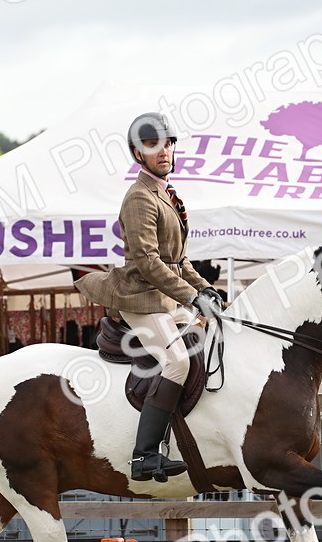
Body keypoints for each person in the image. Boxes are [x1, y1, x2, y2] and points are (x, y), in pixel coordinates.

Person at [75, 112, 224, 482]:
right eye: (153, 145)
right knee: (178, 362)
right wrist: (192, 297)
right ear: (137, 153)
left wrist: (204, 289)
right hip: (139, 297)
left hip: (165, 297)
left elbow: (178, 259)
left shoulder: (166, 194)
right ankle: (143, 456)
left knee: (206, 342)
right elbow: (148, 262)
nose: (165, 150)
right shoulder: (140, 197)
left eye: (169, 143)